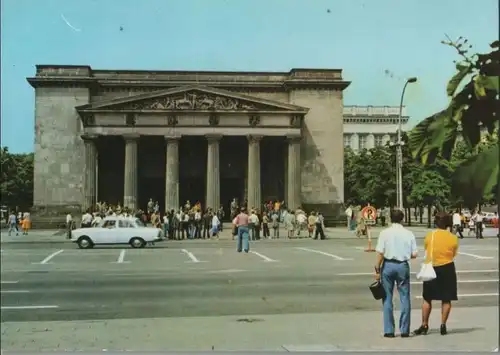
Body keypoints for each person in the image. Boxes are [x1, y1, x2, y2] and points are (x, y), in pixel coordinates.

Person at [374, 209, 417, 338]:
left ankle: (389, 330)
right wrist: (403, 253)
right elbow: (414, 254)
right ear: (402, 219)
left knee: (387, 297)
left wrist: (377, 268)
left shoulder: (384, 233)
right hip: (403, 265)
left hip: (387, 265)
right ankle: (404, 330)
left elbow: (380, 252)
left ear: (390, 218)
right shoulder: (409, 233)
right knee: (405, 297)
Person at [414, 212, 458, 336]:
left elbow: (427, 249)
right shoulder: (453, 237)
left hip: (432, 268)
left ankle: (424, 324)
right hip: (447, 268)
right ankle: (443, 324)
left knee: (427, 298)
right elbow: (453, 254)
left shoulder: (430, 235)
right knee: (446, 298)